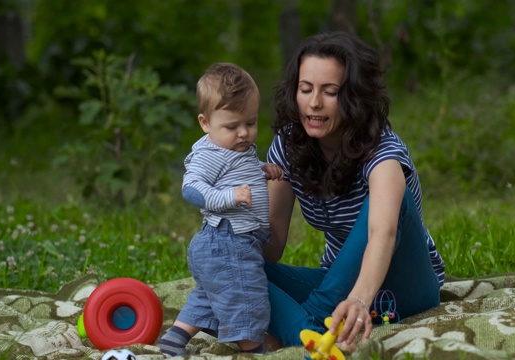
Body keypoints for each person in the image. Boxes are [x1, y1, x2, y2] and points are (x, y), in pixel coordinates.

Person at [263, 31, 445, 349]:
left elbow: (382, 233)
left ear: (354, 97)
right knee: (229, 266)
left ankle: (307, 323)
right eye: (305, 89)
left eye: (330, 92)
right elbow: (272, 245)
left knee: (391, 199)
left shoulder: (383, 152)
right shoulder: (288, 144)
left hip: (401, 287)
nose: (314, 103)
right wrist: (231, 218)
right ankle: (309, 332)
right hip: (337, 285)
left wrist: (361, 298)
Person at [158, 62, 283, 356]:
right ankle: (252, 348)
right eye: (232, 126)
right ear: (205, 123)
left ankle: (175, 337)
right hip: (228, 242)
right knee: (247, 295)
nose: (243, 133)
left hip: (224, 245)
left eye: (250, 123)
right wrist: (230, 196)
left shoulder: (233, 149)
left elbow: (238, 171)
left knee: (211, 295)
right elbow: (191, 188)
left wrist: (262, 170)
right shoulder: (210, 153)